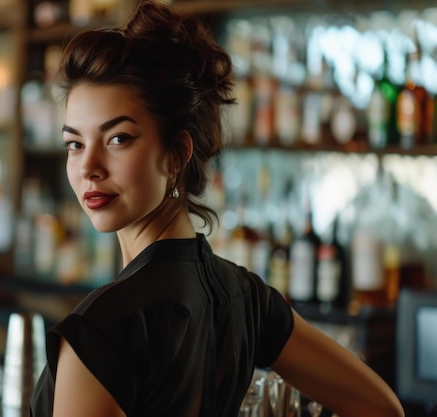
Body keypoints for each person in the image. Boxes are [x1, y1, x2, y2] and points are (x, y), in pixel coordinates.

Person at [29, 1, 405, 416]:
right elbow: (384, 408)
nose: (88, 168)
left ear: (176, 155)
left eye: (118, 138)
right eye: (74, 144)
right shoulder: (246, 298)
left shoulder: (104, 330)